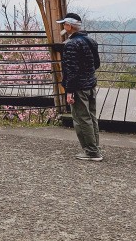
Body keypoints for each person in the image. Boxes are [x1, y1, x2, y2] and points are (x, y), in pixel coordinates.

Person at [59, 12, 102, 161]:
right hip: (90, 84)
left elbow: (71, 70)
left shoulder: (71, 44)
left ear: (69, 26)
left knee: (81, 119)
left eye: (64, 24)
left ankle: (91, 151)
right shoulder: (90, 41)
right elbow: (96, 64)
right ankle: (95, 147)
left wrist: (69, 90)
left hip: (78, 87)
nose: (63, 27)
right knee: (91, 117)